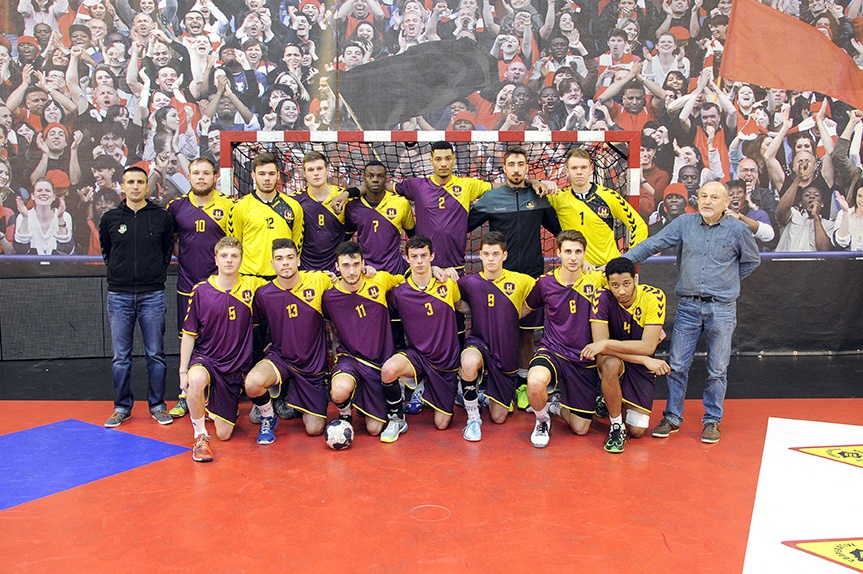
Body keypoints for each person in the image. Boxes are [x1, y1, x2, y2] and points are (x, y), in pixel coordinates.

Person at [623, 181, 761, 444]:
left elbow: (752, 261)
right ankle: (672, 417)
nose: (707, 201)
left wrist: (728, 282)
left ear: (726, 203)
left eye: (714, 197)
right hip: (688, 306)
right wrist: (621, 262)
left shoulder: (738, 230)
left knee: (717, 369)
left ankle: (712, 420)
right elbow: (653, 244)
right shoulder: (684, 223)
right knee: (677, 365)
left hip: (722, 308)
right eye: (703, 196)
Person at [467, 147, 560, 409]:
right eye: (511, 164)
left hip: (530, 278)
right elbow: (462, 226)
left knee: (526, 335)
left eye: (521, 164)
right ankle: (496, 385)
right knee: (497, 333)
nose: (516, 169)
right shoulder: (491, 198)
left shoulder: (539, 197)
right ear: (504, 168)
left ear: (527, 167)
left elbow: (559, 229)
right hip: (497, 280)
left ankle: (521, 385)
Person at [100, 166, 176, 428]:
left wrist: (152, 275)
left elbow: (166, 252)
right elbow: (107, 252)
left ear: (147, 185)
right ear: (122, 186)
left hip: (152, 295)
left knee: (155, 354)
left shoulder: (161, 217)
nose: (135, 186)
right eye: (130, 182)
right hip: (119, 296)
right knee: (121, 357)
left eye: (140, 182)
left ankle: (158, 405)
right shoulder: (110, 218)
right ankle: (122, 407)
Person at [179, 237, 265, 462]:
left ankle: (210, 405)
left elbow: (283, 285)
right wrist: (182, 371)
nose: (229, 260)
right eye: (224, 256)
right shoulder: (201, 291)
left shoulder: (252, 287)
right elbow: (189, 333)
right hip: (206, 358)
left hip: (234, 367)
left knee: (225, 434)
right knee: (195, 380)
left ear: (241, 260)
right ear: (215, 259)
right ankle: (200, 436)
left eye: (234, 256)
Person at [244, 238, 334, 444]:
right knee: (252, 383)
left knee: (314, 429)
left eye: (290, 257)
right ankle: (268, 416)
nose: (285, 263)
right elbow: (254, 324)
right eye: (279, 259)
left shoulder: (319, 280)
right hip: (281, 357)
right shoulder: (264, 293)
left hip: (312, 366)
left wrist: (367, 271)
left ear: (298, 260)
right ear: (272, 264)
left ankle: (296, 402)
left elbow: (346, 283)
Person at [523, 230, 607, 448]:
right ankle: (542, 420)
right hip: (553, 350)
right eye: (568, 252)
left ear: (584, 254)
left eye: (578, 252)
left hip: (584, 358)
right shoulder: (545, 283)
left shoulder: (597, 280)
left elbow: (625, 291)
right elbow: (524, 308)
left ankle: (555, 407)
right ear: (558, 253)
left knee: (581, 428)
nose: (573, 257)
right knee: (535, 380)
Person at [165, 156, 234, 418]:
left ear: (215, 176)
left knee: (220, 338)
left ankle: (217, 395)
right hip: (188, 286)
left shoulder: (228, 205)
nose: (201, 177)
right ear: (189, 176)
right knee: (188, 339)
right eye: (196, 173)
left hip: (220, 288)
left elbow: (234, 246)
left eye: (206, 173)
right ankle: (186, 393)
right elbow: (172, 242)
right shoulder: (176, 207)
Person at [581, 257, 671, 454]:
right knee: (610, 365)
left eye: (626, 284)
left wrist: (607, 343)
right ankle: (616, 426)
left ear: (635, 279)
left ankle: (607, 399)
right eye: (615, 285)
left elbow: (647, 346)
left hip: (638, 363)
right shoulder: (601, 297)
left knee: (637, 431)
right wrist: (644, 359)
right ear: (608, 283)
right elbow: (600, 349)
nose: (621, 291)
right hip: (617, 359)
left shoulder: (654, 296)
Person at [379, 235, 462, 442]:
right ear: (407, 259)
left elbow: (462, 306)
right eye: (414, 256)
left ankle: (429, 392)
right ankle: (397, 419)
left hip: (445, 363)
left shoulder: (448, 284)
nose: (419, 261)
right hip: (418, 357)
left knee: (441, 424)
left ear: (432, 256)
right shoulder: (399, 293)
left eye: (424, 256)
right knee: (388, 370)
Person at [457, 232, 535, 440]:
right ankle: (473, 418)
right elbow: (456, 301)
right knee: (468, 362)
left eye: (495, 254)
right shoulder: (469, 282)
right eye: (486, 254)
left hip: (506, 350)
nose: (490, 259)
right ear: (480, 255)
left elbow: (541, 294)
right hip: (479, 342)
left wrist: (515, 312)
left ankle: (482, 396)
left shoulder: (521, 281)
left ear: (504, 255)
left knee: (499, 417)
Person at [322, 241, 404, 437]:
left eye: (356, 264)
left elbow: (405, 280)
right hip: (349, 358)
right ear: (337, 267)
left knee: (374, 430)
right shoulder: (329, 296)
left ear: (363, 264)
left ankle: (364, 398)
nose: (351, 271)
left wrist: (436, 270)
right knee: (338, 392)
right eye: (346, 265)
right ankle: (345, 414)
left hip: (378, 364)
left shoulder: (380, 280)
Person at [547, 148, 648, 267]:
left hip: (607, 270)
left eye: (583, 167)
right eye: (574, 168)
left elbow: (639, 225)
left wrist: (627, 259)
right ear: (567, 171)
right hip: (576, 269)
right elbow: (531, 191)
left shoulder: (609, 196)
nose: (579, 172)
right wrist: (540, 182)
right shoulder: (558, 198)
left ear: (591, 169)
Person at [227, 152, 304, 279]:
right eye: (262, 174)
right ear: (253, 176)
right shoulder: (239, 207)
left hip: (282, 277)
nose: (267, 178)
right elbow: (234, 245)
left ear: (278, 176)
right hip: (249, 277)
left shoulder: (293, 207)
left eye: (271, 174)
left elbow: (296, 245)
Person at [344, 160, 415, 275]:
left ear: (386, 179)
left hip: (394, 271)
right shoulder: (353, 206)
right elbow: (345, 238)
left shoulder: (401, 203)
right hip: (366, 271)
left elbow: (413, 236)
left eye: (380, 176)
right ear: (364, 179)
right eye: (370, 176)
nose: (375, 179)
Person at [291, 151, 348, 272]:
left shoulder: (344, 197)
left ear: (327, 170)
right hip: (305, 270)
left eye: (319, 168)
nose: (316, 173)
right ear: (304, 174)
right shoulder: (295, 201)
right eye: (311, 170)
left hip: (337, 270)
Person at [775, 176, 835, 252]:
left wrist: (816, 217)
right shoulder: (793, 214)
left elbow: (824, 249)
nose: (812, 196)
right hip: (786, 259)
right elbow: (781, 211)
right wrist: (798, 178)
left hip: (812, 260)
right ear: (800, 203)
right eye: (807, 195)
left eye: (816, 195)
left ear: (822, 204)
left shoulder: (829, 225)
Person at [13, 178, 73, 254]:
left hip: (57, 261)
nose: (43, 193)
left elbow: (65, 250)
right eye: (39, 190)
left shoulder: (65, 216)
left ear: (54, 196)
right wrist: (25, 218)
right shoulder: (21, 217)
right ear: (32, 196)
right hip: (31, 262)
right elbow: (21, 250)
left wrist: (60, 218)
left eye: (47, 190)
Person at [726, 179, 775, 250]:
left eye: (739, 192)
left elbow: (769, 235)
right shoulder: (720, 216)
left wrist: (740, 217)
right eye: (731, 194)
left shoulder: (758, 214)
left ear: (746, 196)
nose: (735, 196)